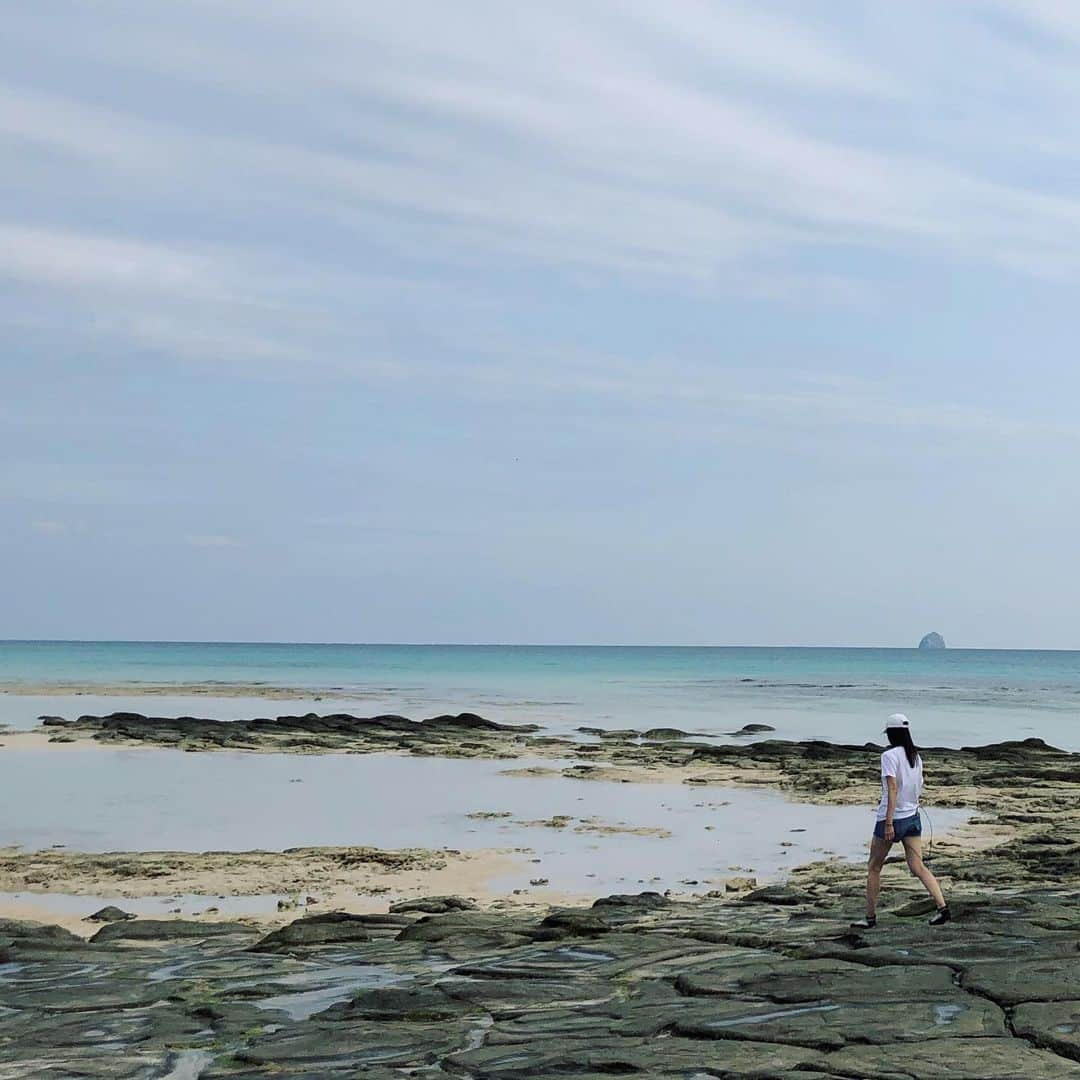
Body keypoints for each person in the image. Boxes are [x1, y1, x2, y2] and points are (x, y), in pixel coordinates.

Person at [851, 714, 951, 928]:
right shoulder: (915, 756)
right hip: (913, 817)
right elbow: (918, 785)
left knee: (874, 867)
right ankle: (942, 907)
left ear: (891, 734)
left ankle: (870, 918)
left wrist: (888, 823)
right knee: (917, 866)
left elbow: (892, 788)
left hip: (893, 818)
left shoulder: (889, 756)